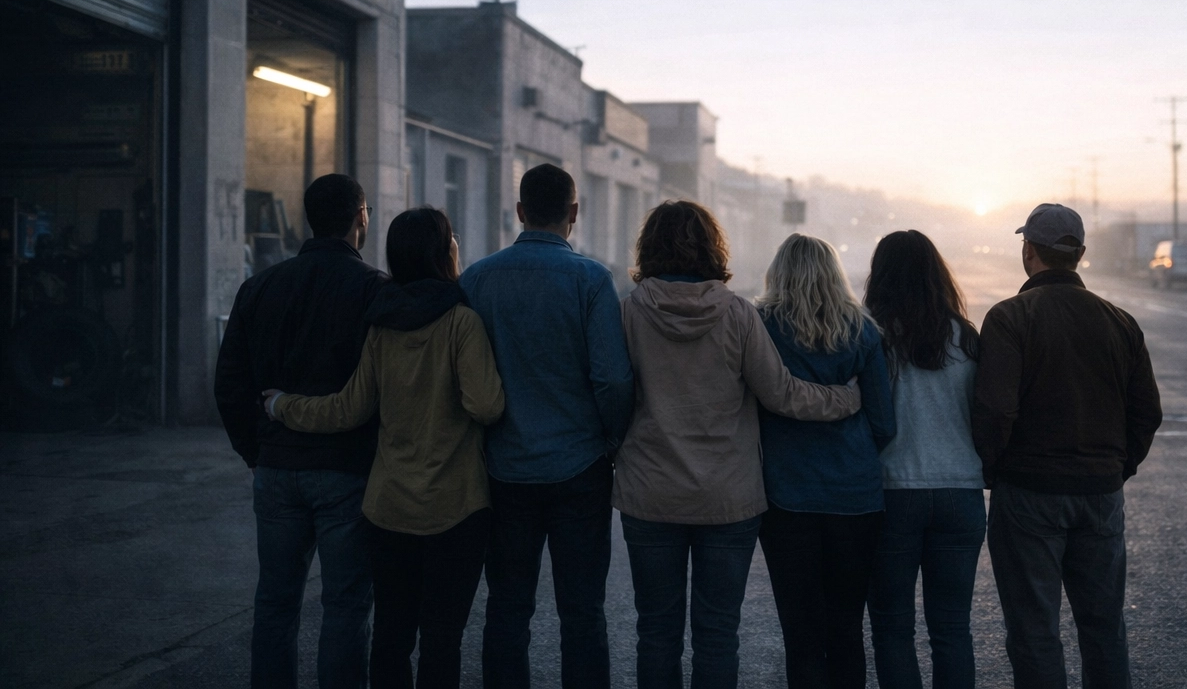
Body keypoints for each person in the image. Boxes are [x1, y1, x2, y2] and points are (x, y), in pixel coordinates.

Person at [613, 201, 864, 689]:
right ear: (713, 246)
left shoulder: (630, 312)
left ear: (649, 247)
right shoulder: (738, 315)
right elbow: (781, 394)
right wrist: (847, 398)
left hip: (650, 494)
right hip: (728, 499)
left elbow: (611, 389)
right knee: (718, 633)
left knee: (656, 632)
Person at [261, 206, 505, 689]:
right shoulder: (461, 323)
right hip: (455, 510)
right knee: (441, 639)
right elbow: (487, 406)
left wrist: (282, 406)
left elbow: (347, 410)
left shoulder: (382, 326)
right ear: (443, 252)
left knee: (392, 636)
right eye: (450, 237)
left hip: (388, 508)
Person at [458, 163, 633, 689]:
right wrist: (611, 439)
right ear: (574, 214)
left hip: (504, 469)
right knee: (582, 612)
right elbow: (612, 379)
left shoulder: (477, 279)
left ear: (520, 212)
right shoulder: (591, 280)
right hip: (580, 467)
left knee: (508, 609)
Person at [973, 203, 1163, 689]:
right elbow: (1147, 413)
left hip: (1029, 493)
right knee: (1103, 627)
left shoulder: (1009, 317)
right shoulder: (1119, 321)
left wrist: (993, 471)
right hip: (1099, 493)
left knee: (1035, 629)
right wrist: (1115, 468)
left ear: (1028, 251)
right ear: (1079, 254)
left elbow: (996, 411)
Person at [215, 173, 387, 689]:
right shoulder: (374, 290)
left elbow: (230, 384)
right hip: (347, 470)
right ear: (361, 217)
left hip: (277, 468)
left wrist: (257, 451)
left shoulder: (259, 287)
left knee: (275, 601)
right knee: (346, 603)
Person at [754, 233, 895, 689]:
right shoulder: (864, 330)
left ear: (779, 274)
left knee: (802, 633)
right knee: (846, 627)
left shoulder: (761, 326)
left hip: (786, 496)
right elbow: (884, 423)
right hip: (855, 498)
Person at [864, 230, 987, 689]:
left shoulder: (873, 336)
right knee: (952, 628)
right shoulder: (965, 337)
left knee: (893, 628)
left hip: (894, 492)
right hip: (961, 491)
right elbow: (984, 415)